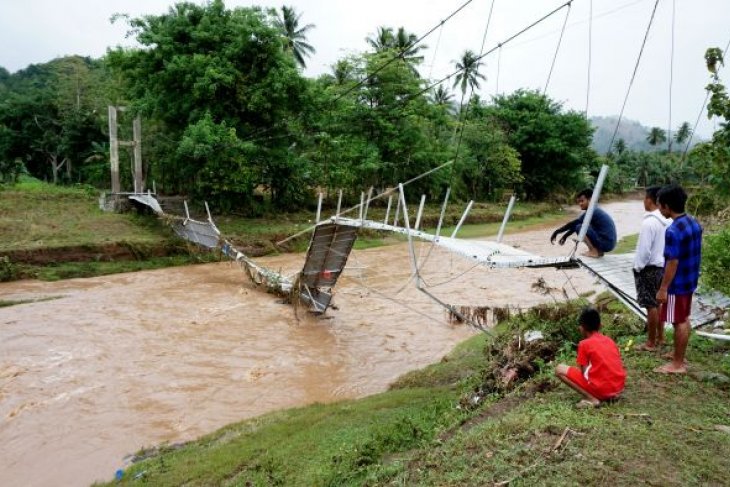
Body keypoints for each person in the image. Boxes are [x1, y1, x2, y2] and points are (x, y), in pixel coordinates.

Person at [654, 184, 702, 374]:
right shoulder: (693, 222)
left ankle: (677, 364)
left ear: (667, 206)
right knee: (683, 317)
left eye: (660, 206)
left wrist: (663, 288)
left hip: (678, 284)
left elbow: (672, 262)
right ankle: (678, 355)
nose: (659, 209)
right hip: (690, 280)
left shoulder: (673, 231)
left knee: (678, 321)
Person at [555, 308, 626, 408]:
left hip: (602, 390)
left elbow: (583, 373)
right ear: (600, 325)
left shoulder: (584, 344)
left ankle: (591, 399)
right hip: (618, 388)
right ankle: (610, 394)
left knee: (559, 369)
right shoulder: (609, 340)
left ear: (582, 327)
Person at [633, 186, 671, 351]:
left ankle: (650, 342)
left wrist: (638, 268)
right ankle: (661, 337)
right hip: (663, 267)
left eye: (644, 198)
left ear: (649, 200)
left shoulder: (649, 222)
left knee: (651, 305)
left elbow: (644, 250)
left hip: (649, 268)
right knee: (659, 303)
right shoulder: (668, 220)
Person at [550, 188, 617, 257]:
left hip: (606, 243)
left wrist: (557, 232)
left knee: (580, 227)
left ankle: (593, 251)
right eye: (578, 202)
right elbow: (575, 225)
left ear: (590, 199)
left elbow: (575, 224)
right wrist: (565, 236)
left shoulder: (592, 211)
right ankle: (598, 252)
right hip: (608, 243)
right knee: (581, 226)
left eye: (582, 201)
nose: (580, 204)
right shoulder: (594, 209)